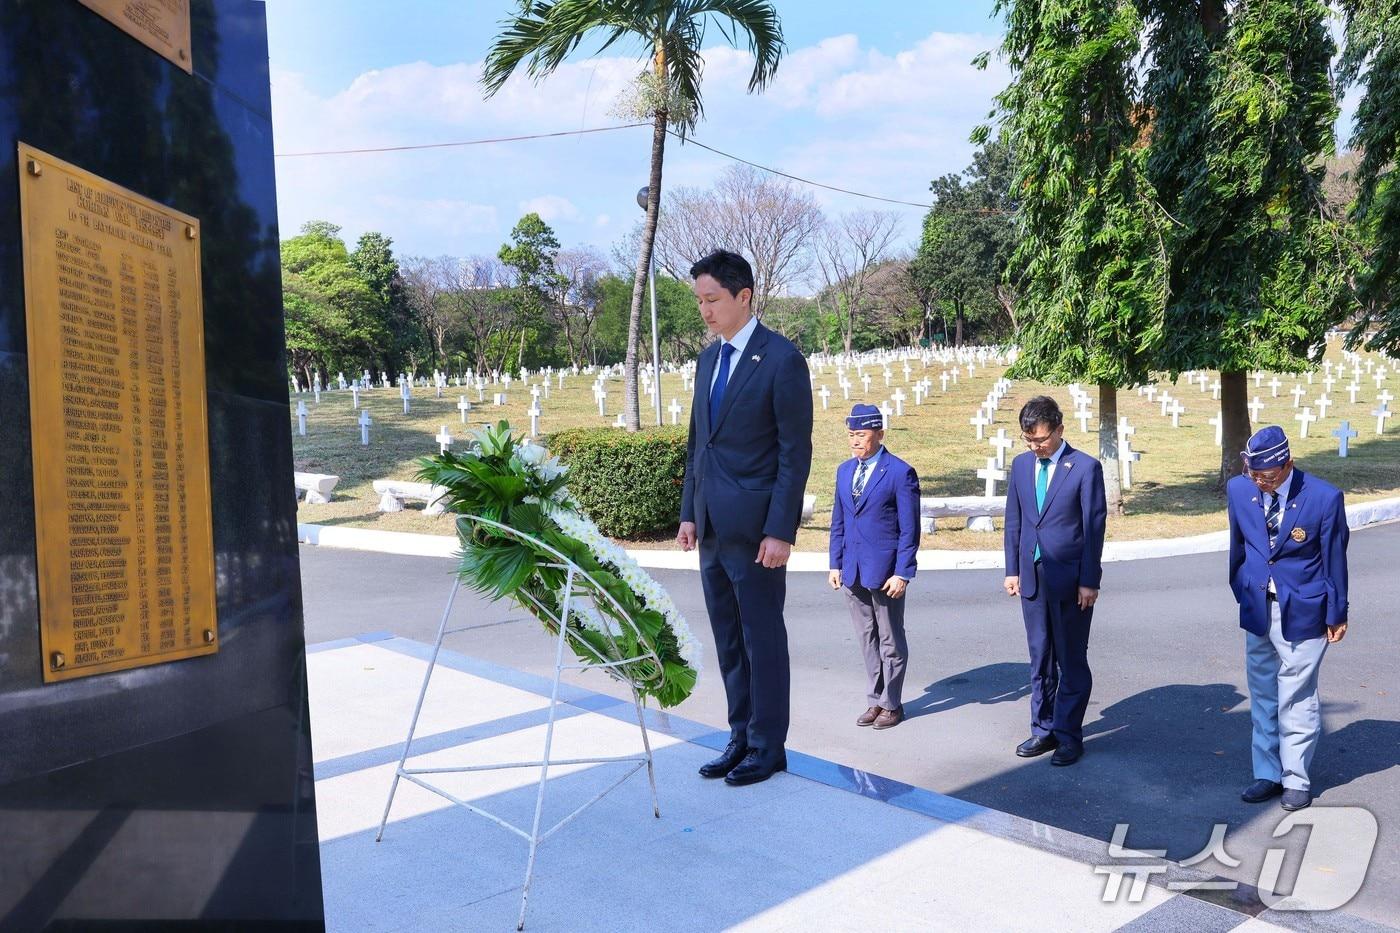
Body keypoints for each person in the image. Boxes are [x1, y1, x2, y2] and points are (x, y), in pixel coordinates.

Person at [676, 249, 813, 786]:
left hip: (758, 534)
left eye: (712, 299)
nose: (705, 310)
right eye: (700, 301)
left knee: (762, 640)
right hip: (712, 527)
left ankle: (767, 746)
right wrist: (689, 513)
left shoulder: (781, 359)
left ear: (744, 296)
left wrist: (780, 529)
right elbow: (699, 444)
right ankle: (739, 736)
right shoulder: (708, 361)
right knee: (729, 640)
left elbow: (794, 454)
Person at [1227, 425, 1349, 811]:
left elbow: (1334, 559)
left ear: (1288, 464)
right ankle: (1267, 773)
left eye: (1267, 476)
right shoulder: (1239, 490)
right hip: (1257, 607)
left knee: (1296, 694)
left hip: (1303, 609)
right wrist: (1243, 590)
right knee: (1262, 693)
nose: (1260, 483)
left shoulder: (1323, 498)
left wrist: (1337, 612)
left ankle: (1296, 777)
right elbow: (1238, 547)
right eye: (1254, 474)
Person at [1002, 395, 1106, 766]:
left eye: (1042, 439)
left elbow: (1093, 528)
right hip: (1031, 577)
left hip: (1070, 580)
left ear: (1059, 429)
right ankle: (1042, 729)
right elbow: (1014, 520)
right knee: (1040, 656)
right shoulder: (1020, 465)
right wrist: (1012, 569)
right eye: (1029, 439)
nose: (1036, 446)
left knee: (1070, 659)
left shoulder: (1085, 468)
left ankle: (1068, 735)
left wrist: (1089, 580)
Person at [827, 404, 921, 730]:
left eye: (861, 434)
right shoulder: (844, 471)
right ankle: (875, 700)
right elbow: (839, 521)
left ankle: (892, 704)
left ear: (879, 434)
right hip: (852, 570)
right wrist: (835, 564)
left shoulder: (899, 472)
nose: (855, 441)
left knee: (890, 639)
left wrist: (903, 572)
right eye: (851, 434)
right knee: (867, 638)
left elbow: (910, 529)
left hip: (885, 572)